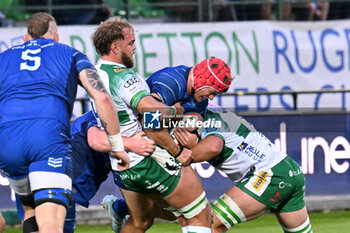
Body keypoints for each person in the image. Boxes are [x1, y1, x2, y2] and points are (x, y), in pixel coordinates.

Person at [91, 16, 232, 233]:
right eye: (130, 43)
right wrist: (178, 137)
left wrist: (190, 127)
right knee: (200, 218)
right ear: (115, 47)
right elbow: (152, 116)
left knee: (142, 220)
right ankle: (120, 208)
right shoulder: (125, 77)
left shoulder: (96, 73)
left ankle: (120, 208)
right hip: (147, 158)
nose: (135, 47)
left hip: (122, 164)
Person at [0, 12, 127, 233]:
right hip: (47, 139)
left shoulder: (3, 58)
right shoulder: (70, 53)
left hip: (7, 140)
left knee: (29, 209)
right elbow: (103, 98)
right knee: (50, 224)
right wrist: (117, 146)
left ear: (25, 38)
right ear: (56, 37)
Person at [174, 106, 313, 233]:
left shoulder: (206, 120)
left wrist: (185, 153)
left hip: (269, 175)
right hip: (289, 170)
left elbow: (213, 147)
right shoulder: (211, 111)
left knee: (207, 225)